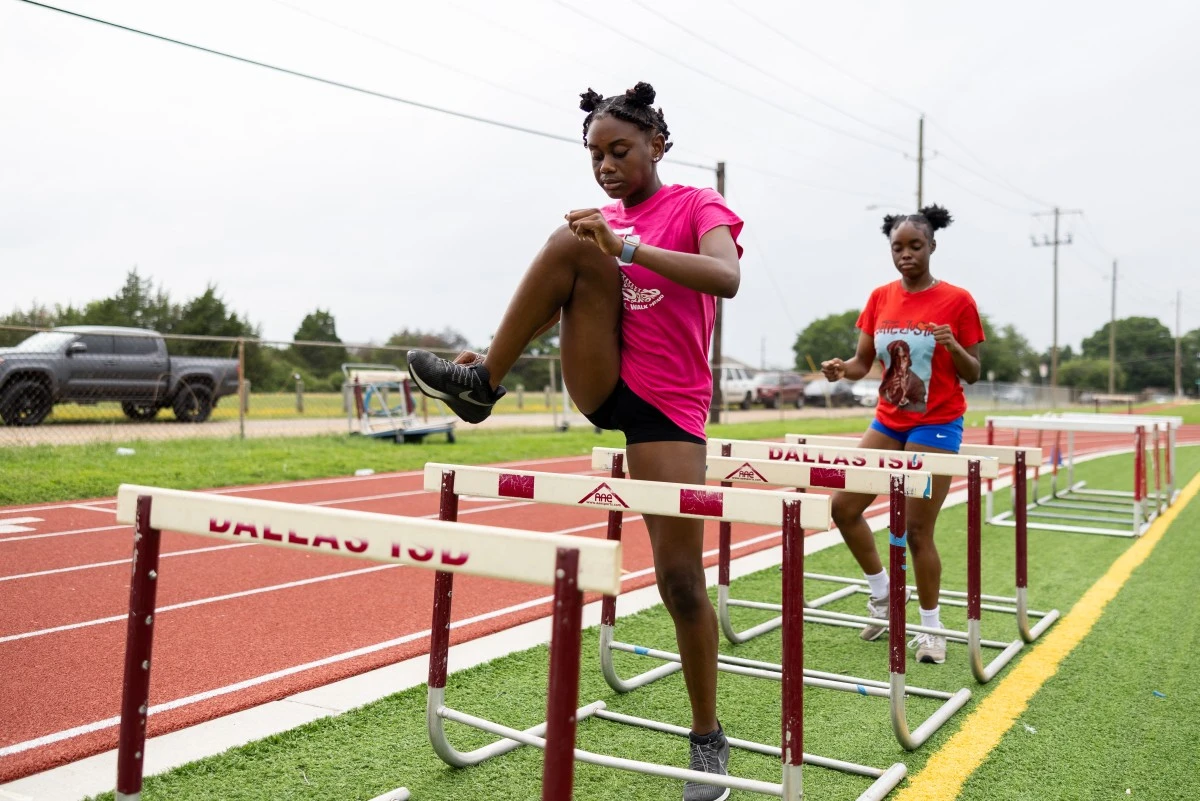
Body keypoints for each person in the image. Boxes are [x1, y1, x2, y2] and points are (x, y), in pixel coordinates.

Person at [406, 82, 743, 800]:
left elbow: (726, 276)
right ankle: (483, 385)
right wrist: (602, 247)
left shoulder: (694, 206)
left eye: (619, 150)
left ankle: (709, 737)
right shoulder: (602, 224)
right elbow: (582, 290)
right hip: (606, 379)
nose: (606, 166)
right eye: (594, 154)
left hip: (671, 410)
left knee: (680, 581)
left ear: (658, 143)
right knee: (571, 243)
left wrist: (629, 245)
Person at [820, 205, 983, 665]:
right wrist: (840, 371)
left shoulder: (958, 301)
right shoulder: (880, 298)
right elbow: (861, 363)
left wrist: (953, 345)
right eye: (898, 247)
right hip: (889, 418)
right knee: (843, 506)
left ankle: (931, 629)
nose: (906, 254)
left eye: (915, 246)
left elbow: (972, 372)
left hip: (936, 422)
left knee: (916, 531)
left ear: (932, 246)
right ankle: (884, 595)